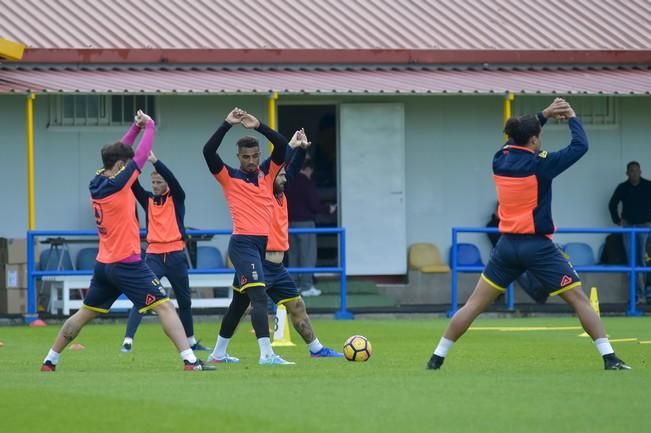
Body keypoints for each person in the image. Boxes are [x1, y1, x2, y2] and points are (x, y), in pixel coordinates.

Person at [427, 99, 631, 371]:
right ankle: (609, 358)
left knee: (473, 305)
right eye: (539, 137)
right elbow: (580, 146)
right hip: (538, 247)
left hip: (506, 246)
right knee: (579, 300)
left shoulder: (499, 158)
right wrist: (571, 117)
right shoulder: (541, 164)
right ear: (533, 140)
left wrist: (544, 114)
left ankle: (437, 357)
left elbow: (518, 135)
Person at [41, 111, 214, 372]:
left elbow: (122, 153)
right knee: (165, 306)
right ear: (121, 165)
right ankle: (191, 361)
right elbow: (141, 155)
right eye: (127, 163)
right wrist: (150, 127)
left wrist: (134, 128)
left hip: (104, 264)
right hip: (126, 262)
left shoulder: (97, 179)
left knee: (84, 313)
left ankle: (50, 360)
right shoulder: (120, 182)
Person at [207, 129, 343, 364]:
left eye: (284, 176)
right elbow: (282, 162)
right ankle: (266, 354)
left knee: (286, 305)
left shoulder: (281, 194)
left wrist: (300, 147)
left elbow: (289, 167)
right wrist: (289, 148)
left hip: (277, 266)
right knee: (253, 303)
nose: (284, 178)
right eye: (280, 175)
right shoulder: (263, 187)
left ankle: (316, 348)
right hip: (259, 259)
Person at [202, 107, 293, 365]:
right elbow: (208, 152)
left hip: (259, 246)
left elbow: (283, 145)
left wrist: (259, 126)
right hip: (242, 245)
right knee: (259, 297)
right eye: (246, 157)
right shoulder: (229, 177)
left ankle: (218, 353)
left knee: (239, 303)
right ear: (238, 157)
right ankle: (267, 354)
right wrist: (226, 124)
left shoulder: (268, 173)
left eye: (254, 156)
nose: (251, 161)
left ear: (259, 155)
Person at [120, 151, 209, 353]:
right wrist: (132, 162)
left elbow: (173, 180)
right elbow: (133, 184)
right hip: (154, 257)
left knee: (184, 300)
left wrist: (155, 161)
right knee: (142, 297)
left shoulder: (177, 198)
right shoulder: (148, 200)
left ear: (166, 184)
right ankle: (127, 340)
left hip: (176, 255)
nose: (156, 186)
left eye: (159, 182)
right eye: (153, 183)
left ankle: (191, 341)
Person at [285, 159, 337, 297]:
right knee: (308, 255)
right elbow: (314, 204)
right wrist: (328, 209)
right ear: (308, 169)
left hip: (290, 224)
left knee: (293, 256)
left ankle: (294, 286)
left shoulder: (289, 181)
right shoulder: (306, 182)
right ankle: (307, 286)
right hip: (306, 224)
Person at [486, 202, 548, 304]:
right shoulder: (491, 225)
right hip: (501, 257)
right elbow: (500, 241)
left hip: (518, 253)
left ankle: (538, 291)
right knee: (517, 271)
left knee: (531, 262)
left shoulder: (513, 222)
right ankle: (536, 293)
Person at [608, 161, 651, 302]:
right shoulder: (623, 187)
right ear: (627, 173)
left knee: (642, 260)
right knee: (631, 260)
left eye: (637, 170)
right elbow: (612, 203)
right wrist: (617, 220)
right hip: (628, 225)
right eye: (632, 171)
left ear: (641, 172)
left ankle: (646, 293)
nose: (634, 173)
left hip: (644, 226)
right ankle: (635, 295)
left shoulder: (648, 186)